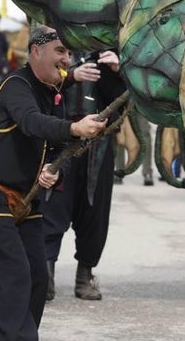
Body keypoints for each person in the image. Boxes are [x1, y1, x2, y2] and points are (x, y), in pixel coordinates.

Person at [0, 26, 106, 341]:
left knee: (37, 279)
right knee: (13, 277)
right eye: (59, 51)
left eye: (69, 54)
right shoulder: (16, 87)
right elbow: (32, 123)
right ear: (35, 51)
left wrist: (52, 169)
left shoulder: (50, 92)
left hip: (26, 199)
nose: (66, 60)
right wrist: (73, 127)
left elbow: (51, 147)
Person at [43, 48, 125, 302]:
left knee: (94, 212)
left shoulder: (106, 49)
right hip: (58, 142)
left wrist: (118, 71)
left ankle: (85, 274)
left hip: (96, 148)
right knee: (51, 208)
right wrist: (70, 76)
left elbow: (125, 101)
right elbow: (37, 85)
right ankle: (45, 274)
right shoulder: (54, 46)